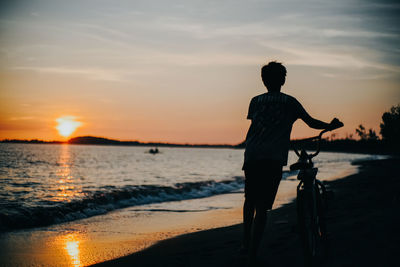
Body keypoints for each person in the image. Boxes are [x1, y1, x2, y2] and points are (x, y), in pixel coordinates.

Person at [241, 61, 341, 264]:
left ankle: (245, 242)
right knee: (261, 208)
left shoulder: (255, 101)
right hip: (273, 157)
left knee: (250, 200)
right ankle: (252, 254)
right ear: (283, 80)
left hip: (252, 154)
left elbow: (257, 124)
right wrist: (330, 126)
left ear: (263, 79)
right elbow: (311, 122)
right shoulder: (289, 102)